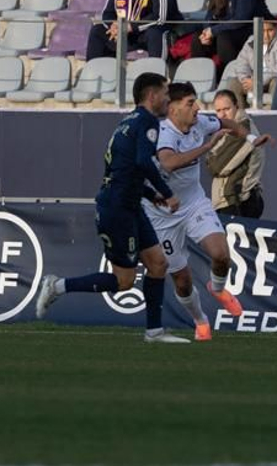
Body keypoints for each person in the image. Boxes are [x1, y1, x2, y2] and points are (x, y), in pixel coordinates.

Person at [32, 71, 189, 344]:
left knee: (158, 263)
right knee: (124, 281)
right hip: (117, 209)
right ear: (152, 96)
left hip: (129, 204)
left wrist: (151, 196)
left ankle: (154, 332)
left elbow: (122, 170)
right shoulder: (148, 122)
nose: (167, 99)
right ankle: (57, 285)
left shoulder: (127, 123)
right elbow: (143, 162)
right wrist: (167, 193)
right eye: (165, 94)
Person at [142, 81, 266, 341]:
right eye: (190, 103)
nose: (197, 107)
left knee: (221, 255)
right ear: (174, 109)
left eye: (196, 101)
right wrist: (208, 147)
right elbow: (169, 162)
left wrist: (251, 138)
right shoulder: (164, 132)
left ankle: (218, 289)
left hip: (194, 202)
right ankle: (200, 321)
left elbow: (229, 125)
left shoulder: (200, 122)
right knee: (182, 280)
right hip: (162, 213)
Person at [191, 0, 263, 72]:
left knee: (224, 38)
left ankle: (231, 74)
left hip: (250, 31)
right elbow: (210, 15)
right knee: (198, 39)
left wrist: (214, 31)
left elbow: (240, 20)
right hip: (228, 30)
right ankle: (199, 76)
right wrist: (206, 32)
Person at [207, 89, 268, 219]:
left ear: (237, 107)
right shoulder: (228, 128)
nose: (222, 115)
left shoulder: (241, 128)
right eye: (218, 111)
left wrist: (211, 156)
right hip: (231, 199)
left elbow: (217, 167)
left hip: (237, 200)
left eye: (226, 109)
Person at [226, 19, 277, 103]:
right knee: (233, 83)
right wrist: (246, 79)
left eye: (270, 30)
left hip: (269, 80)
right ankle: (240, 115)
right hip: (253, 80)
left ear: (276, 28)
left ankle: (275, 114)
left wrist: (257, 82)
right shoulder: (251, 40)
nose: (266, 35)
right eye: (262, 31)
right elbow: (241, 63)